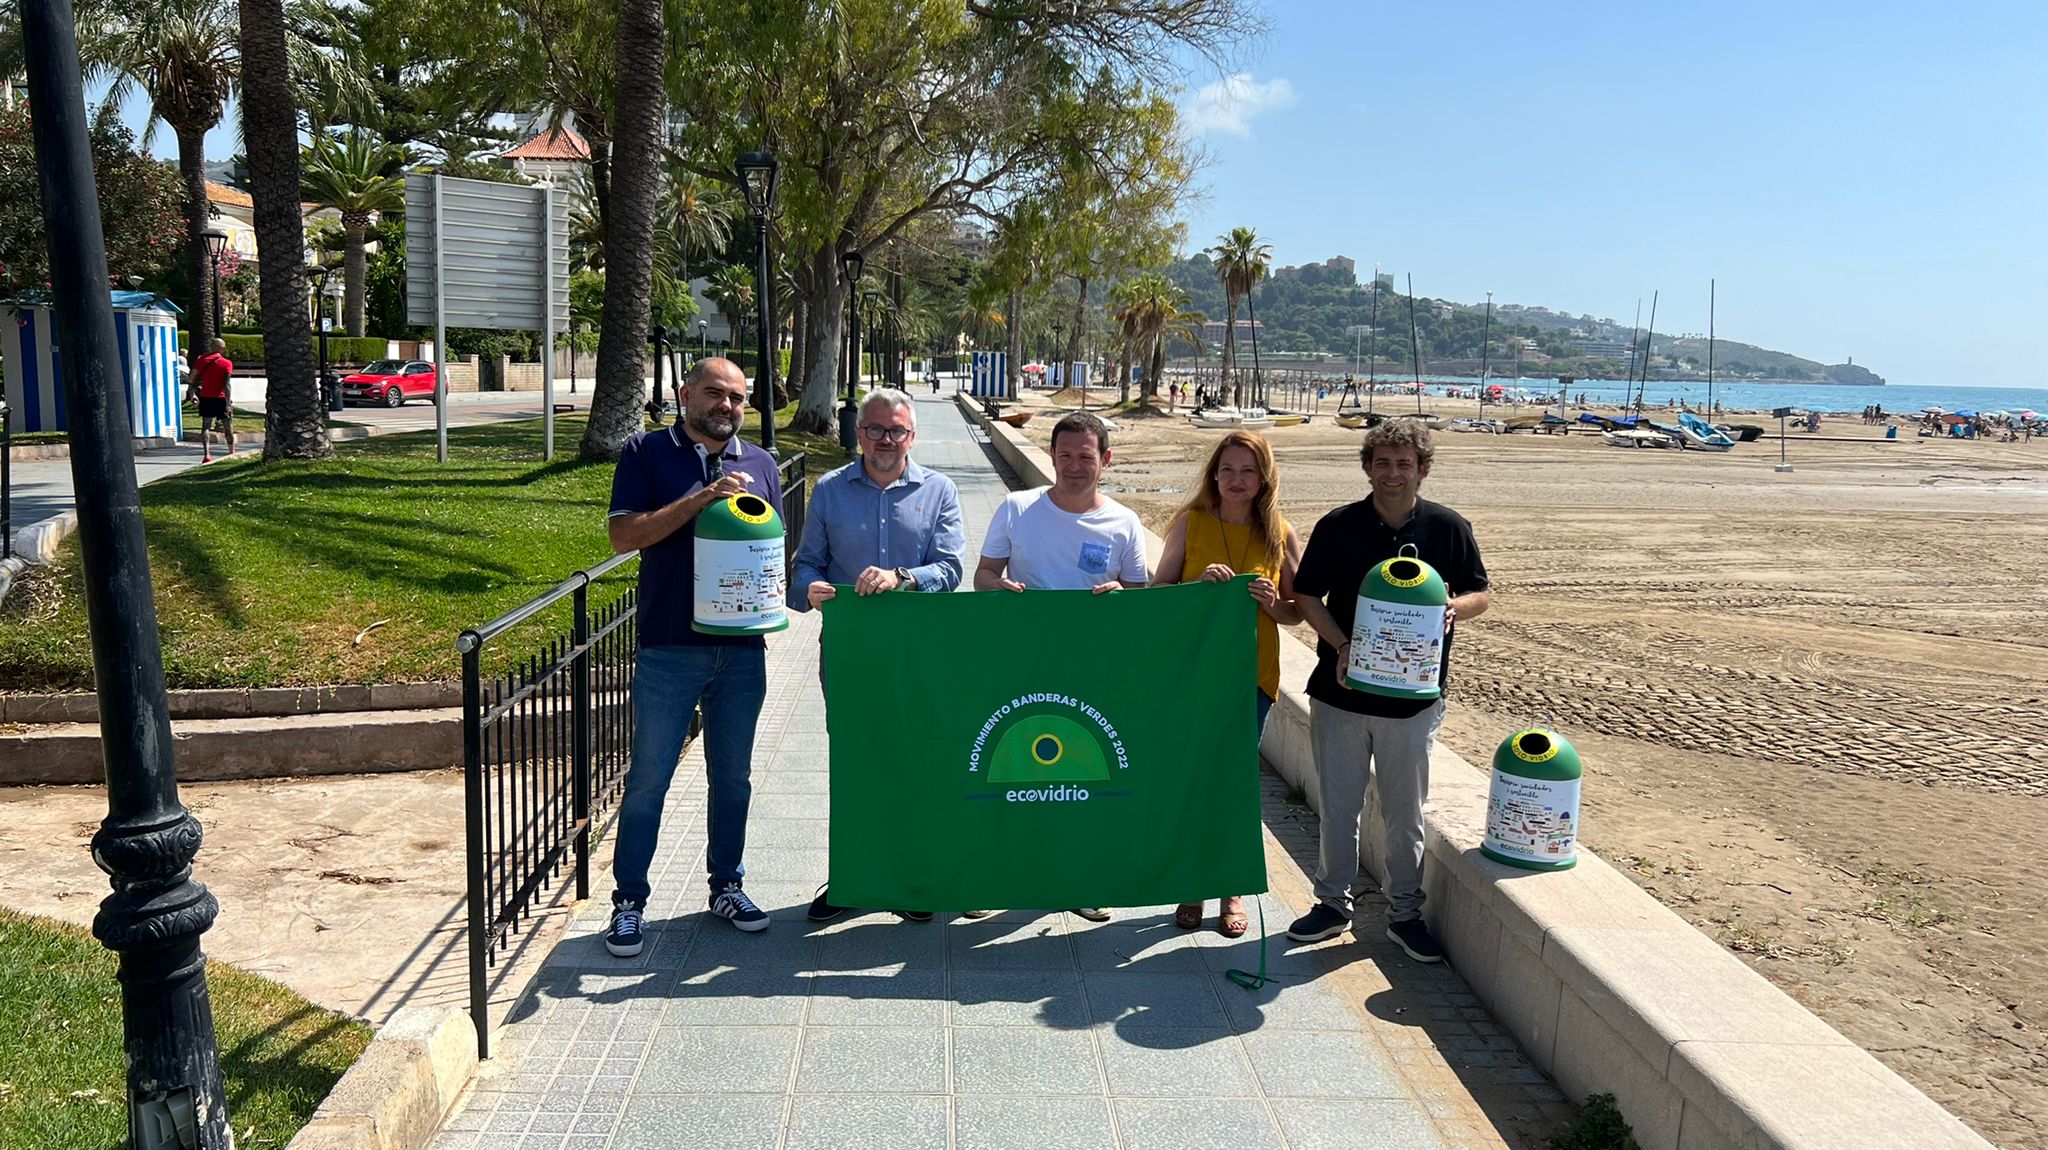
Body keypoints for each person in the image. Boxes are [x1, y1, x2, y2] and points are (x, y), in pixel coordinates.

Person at [1285, 418, 1489, 962]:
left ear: (1422, 469)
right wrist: (1342, 645)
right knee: (1339, 807)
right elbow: (1307, 596)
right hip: (1341, 695)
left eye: (1404, 464)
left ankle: (1405, 913)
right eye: (1383, 463)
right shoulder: (1338, 525)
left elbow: (1480, 594)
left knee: (1406, 812)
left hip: (1414, 700)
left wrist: (1452, 608)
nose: (1393, 473)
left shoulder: (1448, 527)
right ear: (1367, 467)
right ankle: (1332, 903)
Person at [603, 358, 785, 955]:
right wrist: (701, 500)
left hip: (740, 654)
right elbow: (625, 535)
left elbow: (771, 551)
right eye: (715, 394)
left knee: (732, 779)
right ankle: (629, 902)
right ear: (686, 395)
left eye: (737, 398)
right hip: (669, 649)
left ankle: (726, 885)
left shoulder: (760, 463)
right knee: (650, 778)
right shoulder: (646, 453)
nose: (727, 406)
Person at [792, 387, 965, 923]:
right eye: (875, 429)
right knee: (854, 762)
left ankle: (910, 880)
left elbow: (953, 568)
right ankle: (853, 878)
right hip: (850, 651)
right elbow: (803, 568)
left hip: (921, 651)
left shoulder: (939, 489)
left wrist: (904, 577)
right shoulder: (829, 490)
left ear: (912, 436)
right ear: (859, 433)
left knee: (915, 762)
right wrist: (811, 590)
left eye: (897, 431)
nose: (886, 440)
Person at [973, 410, 1148, 923]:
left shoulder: (1124, 522)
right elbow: (984, 575)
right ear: (1051, 457)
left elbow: (1140, 597)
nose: (1074, 466)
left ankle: (1081, 878)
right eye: (1065, 455)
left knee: (1083, 772)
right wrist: (998, 589)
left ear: (1106, 460)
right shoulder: (1016, 508)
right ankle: (997, 876)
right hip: (1020, 663)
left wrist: (1121, 592)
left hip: (1093, 672)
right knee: (1011, 767)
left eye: (1085, 456)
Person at [1153, 431, 1303, 937]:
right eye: (1228, 470)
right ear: (1214, 474)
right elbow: (1158, 595)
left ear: (1264, 478)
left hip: (1253, 677)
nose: (1237, 480)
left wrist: (1270, 603)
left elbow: (1295, 612)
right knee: (1198, 780)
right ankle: (1193, 883)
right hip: (1195, 676)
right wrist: (1198, 589)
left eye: (1248, 471)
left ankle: (1231, 888)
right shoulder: (1189, 524)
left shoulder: (1279, 533)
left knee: (1235, 784)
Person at [184, 339, 235, 459]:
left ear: (211, 347)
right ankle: (231, 451)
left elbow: (191, 378)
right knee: (228, 426)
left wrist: (192, 394)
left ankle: (207, 454)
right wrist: (228, 403)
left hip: (206, 397)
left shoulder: (201, 360)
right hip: (221, 398)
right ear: (222, 348)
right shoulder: (226, 363)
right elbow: (227, 385)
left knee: (206, 426)